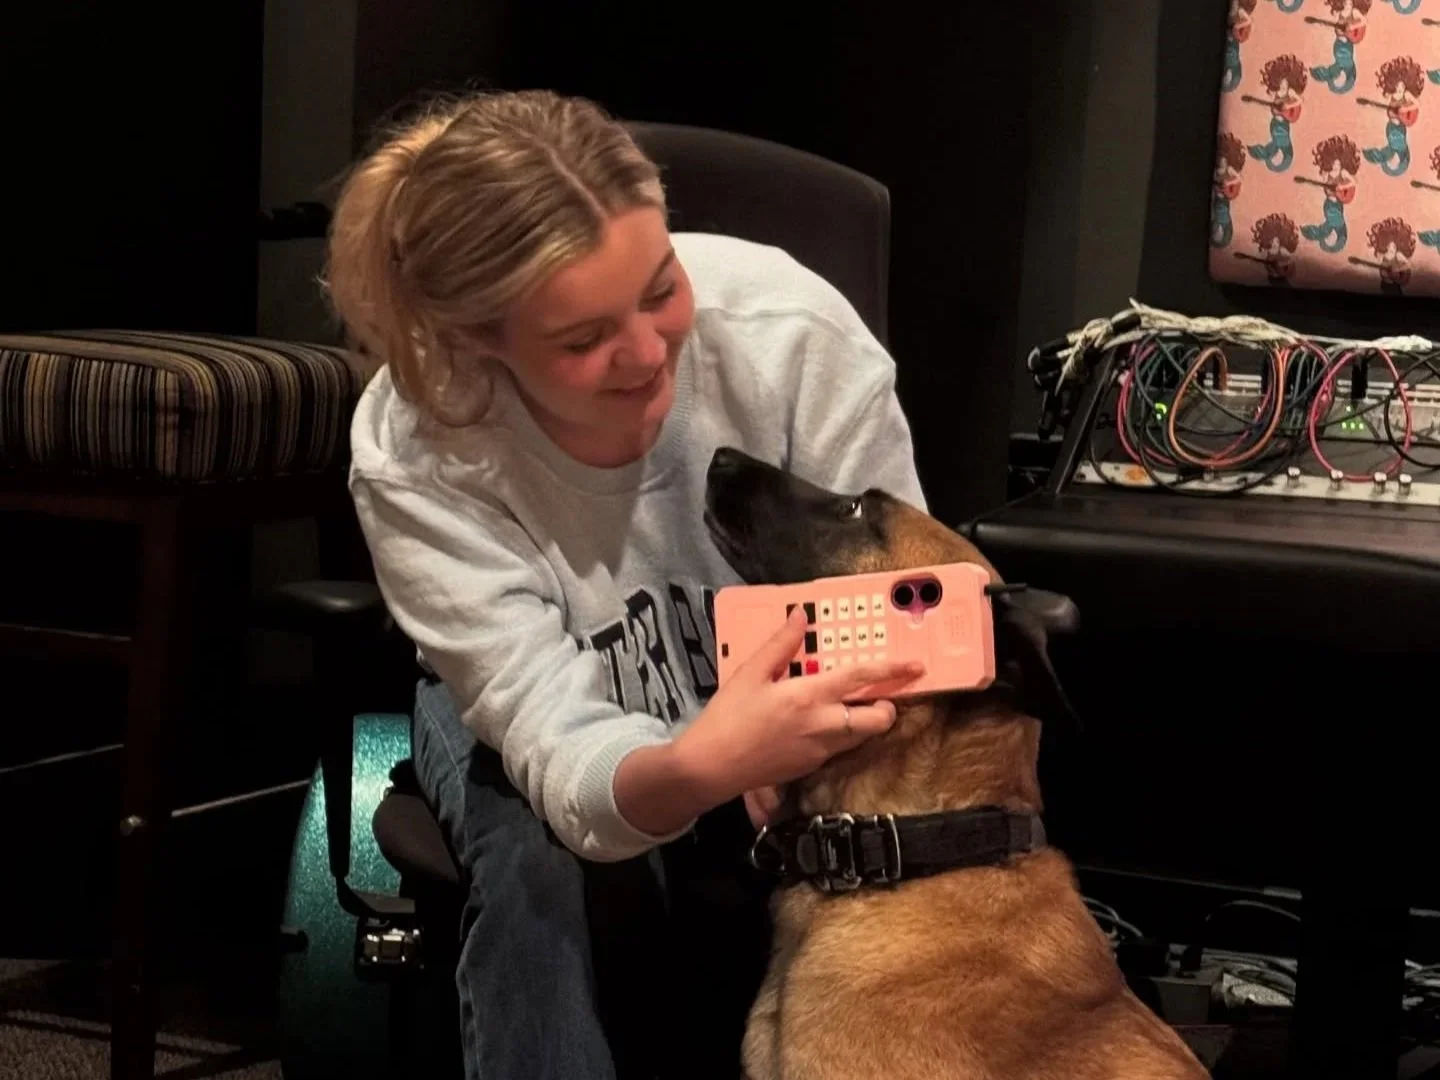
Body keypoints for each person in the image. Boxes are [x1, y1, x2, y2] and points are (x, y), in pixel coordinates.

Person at [324, 89, 928, 1080]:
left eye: (661, 287)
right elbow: (556, 741)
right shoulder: (418, 450)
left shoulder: (791, 332)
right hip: (540, 717)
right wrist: (702, 766)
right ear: (480, 341)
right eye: (581, 339)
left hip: (782, 704)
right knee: (534, 844)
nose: (648, 354)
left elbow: (893, 585)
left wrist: (806, 729)